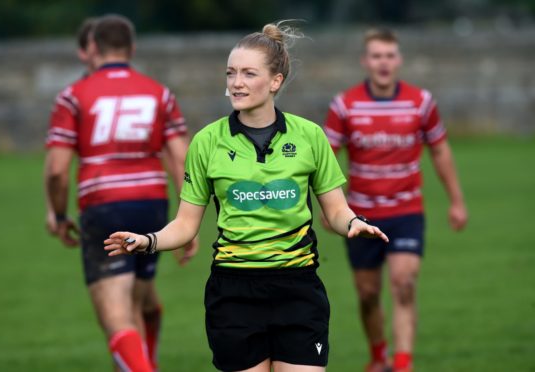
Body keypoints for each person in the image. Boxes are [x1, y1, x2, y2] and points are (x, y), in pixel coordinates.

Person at [104, 22, 389, 372]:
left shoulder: (310, 137)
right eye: (231, 73)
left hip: (298, 289)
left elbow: (336, 210)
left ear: (275, 82)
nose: (236, 82)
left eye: (248, 73)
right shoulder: (207, 142)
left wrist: (355, 223)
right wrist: (147, 241)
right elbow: (185, 225)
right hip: (234, 293)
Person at [44, 14, 197, 371]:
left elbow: (55, 171)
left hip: (105, 206)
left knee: (116, 318)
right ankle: (148, 360)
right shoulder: (160, 93)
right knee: (136, 306)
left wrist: (60, 213)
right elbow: (183, 159)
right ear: (133, 48)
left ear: (93, 47)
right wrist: (187, 218)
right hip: (152, 204)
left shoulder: (73, 96)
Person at [322, 29, 468, 372]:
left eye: (389, 55)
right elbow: (325, 161)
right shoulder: (345, 105)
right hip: (361, 216)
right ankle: (378, 357)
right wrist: (330, 211)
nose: (383, 62)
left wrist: (456, 201)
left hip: (406, 210)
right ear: (365, 61)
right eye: (376, 55)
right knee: (368, 293)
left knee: (403, 282)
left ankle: (402, 364)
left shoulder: (421, 102)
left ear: (398, 60)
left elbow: (441, 151)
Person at [45, 17, 96, 235]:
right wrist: (54, 210)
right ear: (83, 52)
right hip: (99, 202)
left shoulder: (144, 92)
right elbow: (56, 163)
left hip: (142, 200)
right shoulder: (74, 98)